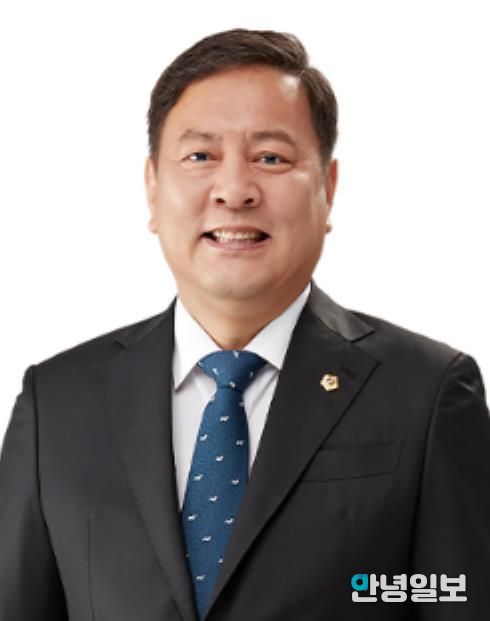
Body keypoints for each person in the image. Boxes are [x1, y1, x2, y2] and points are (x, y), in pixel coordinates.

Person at [0, 27, 489, 621]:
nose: (234, 190)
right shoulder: (57, 403)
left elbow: (455, 591)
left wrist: (355, 590)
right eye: (200, 156)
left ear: (328, 188)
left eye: (271, 158)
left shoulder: (427, 392)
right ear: (152, 188)